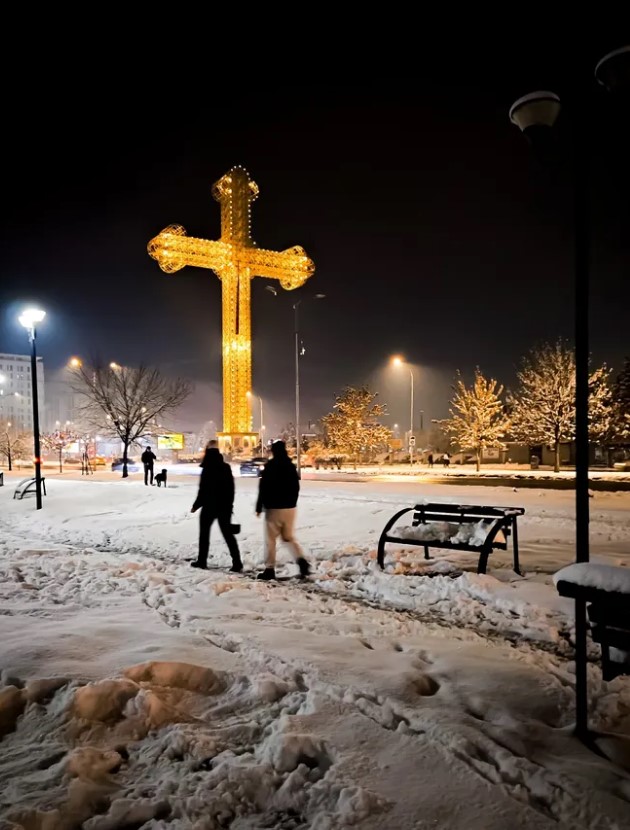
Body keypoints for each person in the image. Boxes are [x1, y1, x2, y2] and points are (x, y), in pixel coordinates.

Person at [255, 440, 310, 581]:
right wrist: (292, 502)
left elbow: (263, 488)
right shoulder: (291, 467)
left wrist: (259, 506)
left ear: (273, 451)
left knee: (270, 540)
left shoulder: (270, 467)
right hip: (290, 508)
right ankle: (301, 561)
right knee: (288, 538)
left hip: (274, 509)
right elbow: (296, 487)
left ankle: (269, 569)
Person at [190, 441, 242, 572]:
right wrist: (230, 505)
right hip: (224, 507)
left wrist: (196, 505)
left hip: (209, 507)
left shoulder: (207, 469)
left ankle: (202, 561)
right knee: (228, 535)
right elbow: (231, 488)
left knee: (204, 534)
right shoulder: (226, 467)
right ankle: (237, 562)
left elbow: (203, 490)